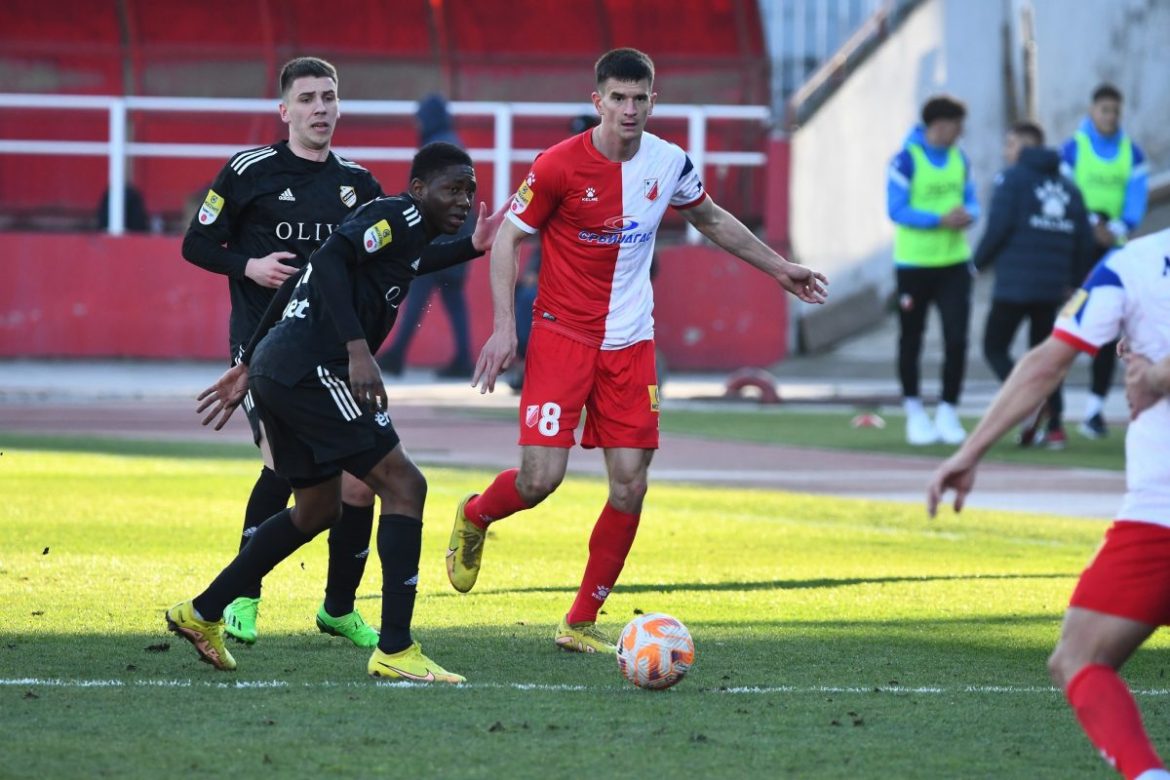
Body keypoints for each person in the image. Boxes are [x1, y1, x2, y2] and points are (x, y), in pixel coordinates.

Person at [444, 48, 828, 654]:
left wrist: (779, 268)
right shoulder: (556, 167)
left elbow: (711, 218)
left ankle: (578, 622)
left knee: (630, 485)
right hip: (562, 336)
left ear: (654, 100)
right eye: (617, 98)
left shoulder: (669, 162)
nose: (629, 109)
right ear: (597, 101)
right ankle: (476, 515)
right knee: (540, 480)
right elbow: (509, 240)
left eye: (639, 98)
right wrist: (503, 328)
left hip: (631, 342)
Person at [167, 141, 505, 681]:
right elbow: (325, 260)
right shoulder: (396, 214)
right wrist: (357, 348)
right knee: (405, 486)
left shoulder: (407, 234)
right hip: (316, 370)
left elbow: (343, 269)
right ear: (418, 190)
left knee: (317, 510)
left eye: (470, 190)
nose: (464, 200)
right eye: (453, 188)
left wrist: (251, 361)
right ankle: (395, 649)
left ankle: (202, 611)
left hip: (282, 370)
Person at [927, 227, 1170, 780]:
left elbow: (1047, 364)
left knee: (1079, 657)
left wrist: (1154, 374)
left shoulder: (1131, 264)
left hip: (1160, 517)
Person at [181, 57, 384, 647]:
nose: (320, 108)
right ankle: (243, 595)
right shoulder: (250, 171)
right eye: (308, 99)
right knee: (281, 465)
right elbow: (196, 242)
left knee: (363, 480)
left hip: (333, 355)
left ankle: (339, 610)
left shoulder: (360, 185)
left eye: (329, 97)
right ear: (285, 110)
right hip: (262, 349)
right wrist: (248, 264)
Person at [973, 121, 1092, 449]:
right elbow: (1084, 240)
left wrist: (975, 264)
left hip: (1014, 285)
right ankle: (1055, 428)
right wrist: (1075, 282)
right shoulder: (1069, 187)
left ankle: (1029, 400)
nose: (1006, 151)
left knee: (994, 347)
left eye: (1011, 144)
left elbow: (997, 229)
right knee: (1050, 357)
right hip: (1053, 289)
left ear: (1025, 145)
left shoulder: (1011, 180)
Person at [887, 94, 980, 446]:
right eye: (957, 126)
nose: (961, 133)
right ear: (939, 126)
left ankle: (948, 411)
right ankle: (914, 412)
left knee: (956, 339)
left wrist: (969, 214)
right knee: (912, 338)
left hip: (954, 263)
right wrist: (938, 220)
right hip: (913, 264)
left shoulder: (960, 158)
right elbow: (896, 209)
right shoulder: (905, 161)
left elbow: (972, 199)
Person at [1061, 83, 1149, 439]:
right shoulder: (1073, 148)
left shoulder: (1133, 154)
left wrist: (1115, 227)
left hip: (1113, 250)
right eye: (1104, 110)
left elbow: (1136, 200)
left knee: (1108, 328)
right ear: (1092, 110)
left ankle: (1094, 410)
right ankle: (1051, 415)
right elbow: (1066, 195)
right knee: (1067, 326)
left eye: (1115, 110)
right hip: (1076, 249)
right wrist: (1088, 225)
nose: (1110, 116)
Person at [378, 93, 475, 379]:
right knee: (453, 299)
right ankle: (463, 359)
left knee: (417, 293)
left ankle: (396, 356)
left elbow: (434, 195)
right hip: (458, 231)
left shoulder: (438, 147)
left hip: (438, 235)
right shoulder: (453, 142)